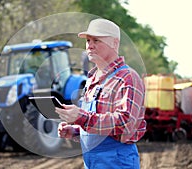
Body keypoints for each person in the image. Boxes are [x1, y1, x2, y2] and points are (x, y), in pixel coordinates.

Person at [55, 18, 146, 169]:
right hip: (92, 163)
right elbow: (98, 125)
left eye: (96, 40)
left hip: (117, 163)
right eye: (88, 40)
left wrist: (80, 117)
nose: (89, 46)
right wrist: (76, 131)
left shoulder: (127, 78)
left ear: (115, 43)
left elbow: (125, 124)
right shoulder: (92, 78)